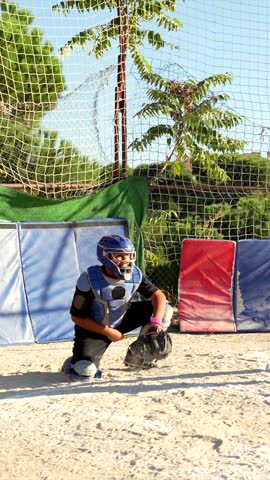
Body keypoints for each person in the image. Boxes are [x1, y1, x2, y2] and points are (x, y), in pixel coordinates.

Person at [62, 234, 173, 381]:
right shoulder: (89, 279)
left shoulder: (135, 275)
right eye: (119, 256)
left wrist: (156, 322)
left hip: (122, 318)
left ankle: (140, 356)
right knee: (84, 372)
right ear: (105, 256)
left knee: (165, 309)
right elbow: (77, 317)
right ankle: (74, 362)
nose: (125, 261)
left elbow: (158, 296)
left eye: (128, 256)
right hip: (93, 329)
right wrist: (109, 332)